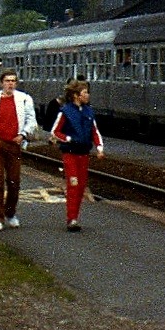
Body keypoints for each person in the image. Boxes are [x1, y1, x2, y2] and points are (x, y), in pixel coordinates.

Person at [0, 68, 38, 231]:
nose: (10, 84)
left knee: (14, 182)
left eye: (13, 81)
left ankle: (10, 213)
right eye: (7, 81)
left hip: (14, 144)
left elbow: (31, 120)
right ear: (1, 83)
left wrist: (23, 134)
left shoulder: (24, 99)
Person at [50, 78, 104, 232]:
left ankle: (75, 216)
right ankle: (71, 219)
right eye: (85, 92)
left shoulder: (89, 111)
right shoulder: (65, 111)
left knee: (80, 187)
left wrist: (99, 148)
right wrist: (68, 139)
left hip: (84, 154)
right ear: (76, 95)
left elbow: (95, 132)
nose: (88, 95)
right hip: (70, 154)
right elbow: (55, 131)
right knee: (73, 184)